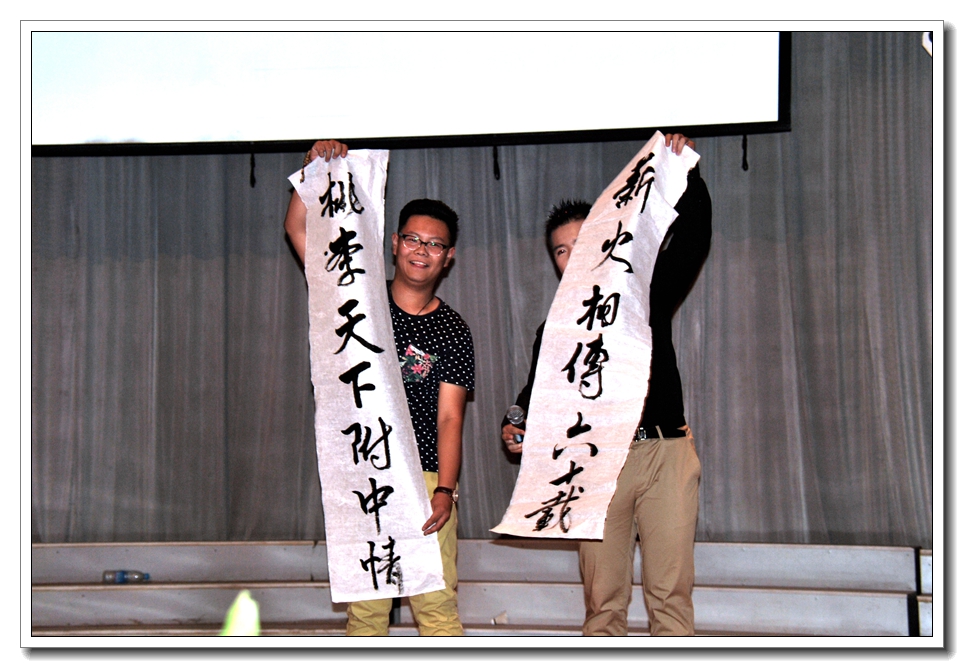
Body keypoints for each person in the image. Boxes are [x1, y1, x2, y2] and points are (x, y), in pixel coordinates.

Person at [500, 134, 712, 636]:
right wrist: (515, 423)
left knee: (671, 598)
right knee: (603, 603)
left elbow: (693, 238)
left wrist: (688, 172)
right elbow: (534, 398)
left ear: (606, 239)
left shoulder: (645, 293)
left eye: (582, 242)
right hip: (596, 464)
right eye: (561, 250)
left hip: (663, 452)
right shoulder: (554, 330)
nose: (572, 255)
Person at [285, 140, 474, 636]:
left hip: (426, 477)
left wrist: (446, 491)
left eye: (434, 244)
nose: (422, 250)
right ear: (393, 243)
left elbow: (450, 417)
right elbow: (298, 229)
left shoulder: (453, 330)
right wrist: (314, 170)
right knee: (366, 614)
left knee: (437, 609)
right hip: (365, 473)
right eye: (413, 239)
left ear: (448, 257)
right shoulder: (355, 296)